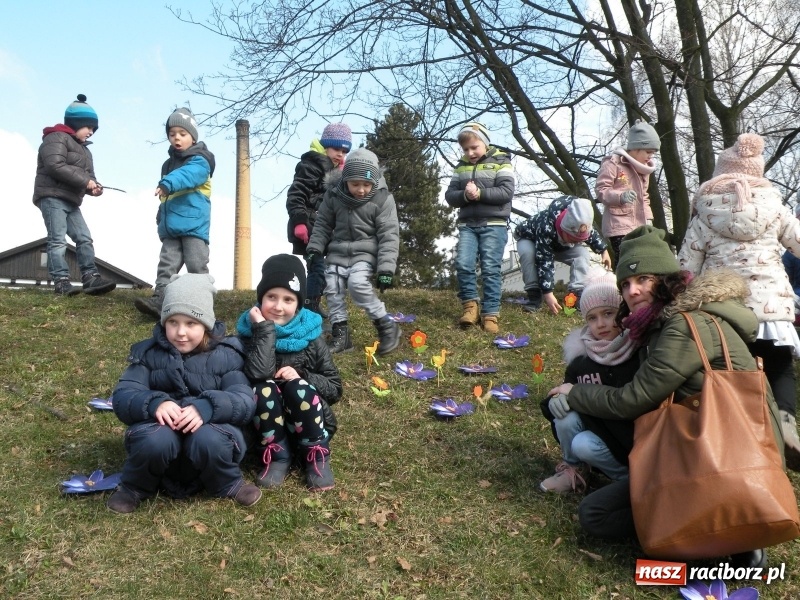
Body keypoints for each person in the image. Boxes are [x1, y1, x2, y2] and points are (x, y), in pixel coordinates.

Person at [549, 225, 783, 569]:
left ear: (665, 279)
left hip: (718, 451)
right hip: (687, 445)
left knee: (600, 515)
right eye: (625, 284)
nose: (633, 290)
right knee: (595, 513)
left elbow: (634, 398)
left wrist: (575, 392)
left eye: (643, 279)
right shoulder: (656, 326)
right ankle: (712, 536)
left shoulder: (684, 325)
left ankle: (715, 547)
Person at [678, 132, 800, 471]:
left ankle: (745, 440)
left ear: (720, 175)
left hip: (726, 310)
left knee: (735, 374)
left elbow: (686, 266)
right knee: (778, 367)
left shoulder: (705, 211)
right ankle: (786, 425)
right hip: (772, 308)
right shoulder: (774, 206)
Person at [108, 273, 261, 513]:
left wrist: (208, 407)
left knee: (209, 439)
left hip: (211, 432)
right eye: (173, 322)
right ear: (163, 322)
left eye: (191, 324)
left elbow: (243, 400)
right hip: (161, 434)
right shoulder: (147, 354)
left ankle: (229, 484)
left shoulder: (227, 355)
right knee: (154, 440)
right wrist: (154, 403)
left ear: (206, 325)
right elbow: (123, 395)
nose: (181, 332)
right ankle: (134, 487)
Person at [237, 254, 342, 491]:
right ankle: (276, 456)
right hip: (265, 427)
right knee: (262, 388)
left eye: (288, 299)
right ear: (260, 299)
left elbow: (335, 388)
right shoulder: (247, 335)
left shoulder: (312, 338)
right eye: (271, 297)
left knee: (298, 387)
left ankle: (316, 456)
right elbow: (257, 374)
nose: (278, 306)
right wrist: (263, 330)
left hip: (309, 422)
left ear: (298, 304)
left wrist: (302, 376)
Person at [539, 270, 639, 493]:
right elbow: (566, 388)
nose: (601, 324)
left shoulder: (638, 352)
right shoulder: (581, 361)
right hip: (596, 434)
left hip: (631, 439)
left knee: (583, 442)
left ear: (622, 312)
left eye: (608, 313)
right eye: (592, 318)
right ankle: (574, 470)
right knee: (567, 421)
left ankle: (631, 480)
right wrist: (555, 400)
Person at [306, 148, 401, 355]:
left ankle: (386, 326)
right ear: (345, 179)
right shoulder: (333, 196)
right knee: (332, 287)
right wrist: (314, 248)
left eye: (367, 185)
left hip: (365, 252)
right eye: (355, 184)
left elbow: (389, 234)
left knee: (357, 284)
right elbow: (322, 224)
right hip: (337, 251)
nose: (361, 190)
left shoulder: (382, 200)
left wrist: (386, 269)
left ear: (374, 182)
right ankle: (342, 335)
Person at [135, 107, 216, 319]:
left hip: (193, 225)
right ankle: (160, 298)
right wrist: (161, 214)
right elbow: (166, 197)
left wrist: (167, 183)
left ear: (193, 136)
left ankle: (203, 302)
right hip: (171, 226)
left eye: (182, 134)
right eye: (172, 134)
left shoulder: (201, 159)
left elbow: (189, 175)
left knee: (196, 264)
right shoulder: (168, 164)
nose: (176, 138)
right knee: (166, 263)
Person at [32, 94, 116, 296]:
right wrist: (84, 181)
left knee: (84, 238)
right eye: (89, 127)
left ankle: (90, 278)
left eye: (93, 130)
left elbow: (89, 177)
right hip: (52, 196)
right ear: (77, 123)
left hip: (71, 201)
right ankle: (61, 282)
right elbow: (54, 165)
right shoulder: (55, 138)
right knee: (58, 240)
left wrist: (93, 188)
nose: (91, 133)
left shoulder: (86, 152)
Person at [444, 122, 515, 334]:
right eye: (466, 149)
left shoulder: (502, 162)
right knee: (464, 264)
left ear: (485, 142)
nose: (470, 152)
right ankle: (470, 307)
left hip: (494, 224)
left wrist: (480, 194)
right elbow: (450, 196)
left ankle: (491, 313)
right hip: (467, 224)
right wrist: (465, 195)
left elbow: (506, 192)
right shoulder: (461, 167)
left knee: (491, 269)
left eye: (474, 147)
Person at [286, 123, 352, 317]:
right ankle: (310, 306)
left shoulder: (339, 173)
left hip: (325, 230)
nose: (340, 154)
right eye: (336, 148)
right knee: (318, 268)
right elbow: (296, 194)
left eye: (344, 151)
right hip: (308, 227)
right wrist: (299, 222)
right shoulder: (312, 166)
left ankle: (311, 301)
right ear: (325, 146)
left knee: (327, 269)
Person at [514, 195, 611, 314]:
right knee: (528, 254)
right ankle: (534, 296)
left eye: (579, 239)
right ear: (564, 229)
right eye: (574, 239)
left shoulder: (580, 220)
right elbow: (544, 262)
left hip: (558, 245)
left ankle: (577, 292)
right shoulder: (546, 228)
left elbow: (592, 235)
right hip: (530, 239)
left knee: (581, 253)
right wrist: (548, 293)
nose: (577, 242)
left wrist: (603, 251)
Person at [595, 119, 661, 263]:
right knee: (626, 261)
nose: (651, 156)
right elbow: (601, 190)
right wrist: (620, 196)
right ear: (635, 148)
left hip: (640, 225)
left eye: (653, 153)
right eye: (648, 151)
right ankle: (622, 284)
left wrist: (649, 219)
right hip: (619, 225)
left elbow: (644, 196)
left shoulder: (644, 170)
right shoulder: (613, 164)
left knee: (643, 261)